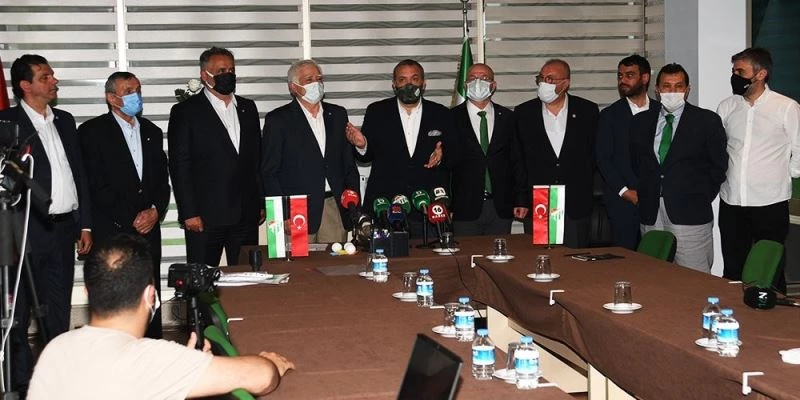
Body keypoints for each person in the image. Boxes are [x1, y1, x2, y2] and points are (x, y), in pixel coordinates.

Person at [27, 234, 293, 399]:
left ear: (88, 291)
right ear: (150, 295)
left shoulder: (55, 349)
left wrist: (185, 371)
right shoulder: (153, 360)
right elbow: (262, 376)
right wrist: (269, 363)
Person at [0, 54, 93, 394]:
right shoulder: (7, 123)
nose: (54, 81)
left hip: (64, 229)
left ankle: (58, 377)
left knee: (57, 306)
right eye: (45, 77)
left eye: (52, 75)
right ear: (25, 85)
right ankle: (21, 381)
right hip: (24, 230)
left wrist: (85, 224)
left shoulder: (65, 120)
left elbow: (78, 173)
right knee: (21, 309)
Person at [78, 71, 170, 338]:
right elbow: (95, 184)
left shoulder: (152, 131)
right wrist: (132, 218)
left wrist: (155, 211)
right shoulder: (92, 132)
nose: (136, 96)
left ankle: (152, 345)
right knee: (114, 295)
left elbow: (162, 181)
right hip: (113, 228)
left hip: (149, 230)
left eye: (138, 90)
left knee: (149, 291)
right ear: (111, 98)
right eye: (128, 91)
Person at [168, 47, 264, 266]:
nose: (227, 75)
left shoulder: (248, 108)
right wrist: (189, 212)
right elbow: (179, 165)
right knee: (202, 276)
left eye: (231, 70)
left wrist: (259, 202)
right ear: (205, 75)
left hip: (246, 213)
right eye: (221, 71)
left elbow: (255, 161)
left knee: (247, 275)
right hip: (206, 215)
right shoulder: (186, 111)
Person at [630, 63, 728, 273]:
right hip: (651, 213)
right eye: (667, 86)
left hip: (690, 214)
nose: (672, 91)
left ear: (687, 90)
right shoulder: (640, 122)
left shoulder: (706, 121)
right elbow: (637, 163)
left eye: (678, 86)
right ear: (657, 90)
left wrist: (700, 195)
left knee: (694, 277)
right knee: (653, 275)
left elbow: (719, 166)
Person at [717, 47, 800, 292]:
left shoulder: (786, 107)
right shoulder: (727, 106)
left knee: (771, 268)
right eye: (734, 71)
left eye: (740, 72)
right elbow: (718, 148)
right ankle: (732, 311)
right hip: (732, 200)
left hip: (770, 201)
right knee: (733, 267)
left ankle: (777, 312)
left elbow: (799, 147)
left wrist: (785, 174)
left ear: (761, 74)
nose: (735, 76)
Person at [344, 59, 451, 238]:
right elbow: (366, 157)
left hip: (428, 208)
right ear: (394, 85)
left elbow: (455, 154)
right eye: (402, 80)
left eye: (414, 79)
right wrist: (362, 145)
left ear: (423, 83)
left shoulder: (441, 113)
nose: (409, 84)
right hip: (385, 206)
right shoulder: (377, 111)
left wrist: (443, 154)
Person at [262, 59, 359, 243]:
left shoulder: (338, 114)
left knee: (334, 260)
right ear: (293, 87)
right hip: (296, 210)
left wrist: (352, 203)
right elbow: (269, 172)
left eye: (319, 78)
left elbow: (348, 164)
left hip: (333, 207)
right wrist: (282, 213)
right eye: (309, 80)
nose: (316, 83)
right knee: (297, 261)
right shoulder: (278, 120)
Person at [516, 59, 599, 248]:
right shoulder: (524, 113)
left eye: (551, 79)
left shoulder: (587, 111)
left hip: (575, 202)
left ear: (566, 83)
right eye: (541, 78)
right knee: (541, 258)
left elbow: (594, 154)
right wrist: (521, 198)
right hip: (539, 201)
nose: (544, 83)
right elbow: (518, 160)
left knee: (575, 259)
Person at [450, 63, 528, 235]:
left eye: (484, 78)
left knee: (499, 251)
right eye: (472, 78)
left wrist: (521, 199)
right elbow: (446, 165)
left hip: (500, 206)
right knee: (467, 252)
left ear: (493, 85)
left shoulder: (508, 118)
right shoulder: (450, 118)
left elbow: (517, 160)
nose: (478, 82)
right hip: (464, 206)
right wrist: (447, 204)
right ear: (465, 85)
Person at [596, 55, 656, 250]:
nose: (623, 80)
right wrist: (625, 191)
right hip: (622, 201)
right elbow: (603, 159)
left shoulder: (661, 111)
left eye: (629, 75)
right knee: (625, 257)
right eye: (620, 76)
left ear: (645, 78)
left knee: (656, 257)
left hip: (657, 201)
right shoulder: (609, 115)